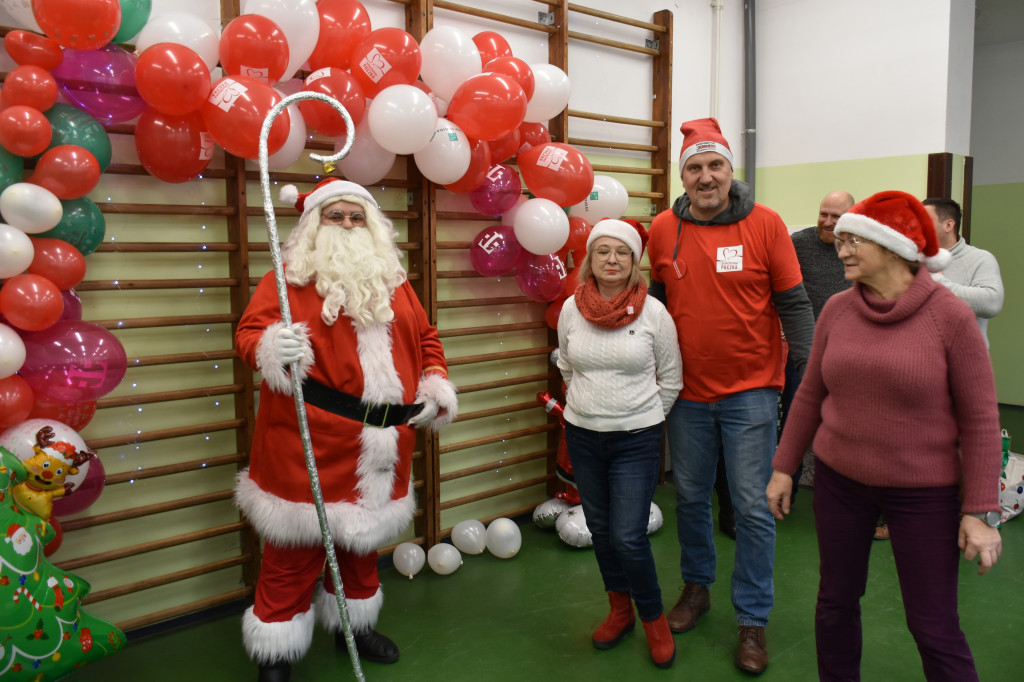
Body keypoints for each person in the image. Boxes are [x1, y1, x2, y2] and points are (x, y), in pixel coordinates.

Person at [767, 191, 1002, 682]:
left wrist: (979, 512)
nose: (841, 248)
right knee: (834, 603)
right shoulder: (837, 309)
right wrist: (784, 467)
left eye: (854, 240)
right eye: (842, 239)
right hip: (839, 484)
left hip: (924, 494)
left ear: (893, 248)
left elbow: (980, 419)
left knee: (933, 625)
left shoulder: (949, 316)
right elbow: (810, 393)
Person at [234, 178, 458, 682]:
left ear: (373, 225)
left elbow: (425, 338)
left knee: (360, 550)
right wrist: (272, 346)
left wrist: (435, 381)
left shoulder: (394, 280)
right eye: (335, 216)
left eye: (356, 217)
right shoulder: (286, 281)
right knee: (293, 553)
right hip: (306, 439)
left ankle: (352, 628)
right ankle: (276, 651)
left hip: (382, 446)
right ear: (314, 224)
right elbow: (249, 336)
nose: (348, 225)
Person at [648, 117, 815, 674]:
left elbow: (794, 305)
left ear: (729, 170)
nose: (705, 177)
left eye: (714, 165)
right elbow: (653, 306)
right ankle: (697, 589)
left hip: (751, 392)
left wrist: (811, 372)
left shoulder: (767, 226)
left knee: (751, 506)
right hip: (686, 394)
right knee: (691, 499)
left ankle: (753, 620)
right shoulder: (662, 228)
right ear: (683, 176)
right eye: (694, 168)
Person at [557, 218, 682, 669]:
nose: (612, 260)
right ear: (590, 259)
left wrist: (643, 417)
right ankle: (619, 611)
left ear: (634, 262)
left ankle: (654, 620)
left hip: (637, 438)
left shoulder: (654, 313)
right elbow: (567, 366)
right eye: (603, 251)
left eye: (622, 252)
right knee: (604, 533)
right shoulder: (572, 309)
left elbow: (671, 379)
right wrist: (587, 410)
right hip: (584, 435)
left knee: (630, 537)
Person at [783, 191, 855, 497]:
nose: (827, 221)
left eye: (835, 217)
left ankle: (847, 493)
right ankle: (788, 487)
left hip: (850, 354)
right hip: (805, 352)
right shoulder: (798, 243)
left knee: (849, 425)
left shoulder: (863, 248)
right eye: (823, 213)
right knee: (795, 420)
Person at [922, 197, 1004, 347]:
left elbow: (991, 303)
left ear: (948, 225)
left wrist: (938, 282)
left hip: (967, 360)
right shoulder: (912, 260)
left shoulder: (980, 258)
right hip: (922, 359)